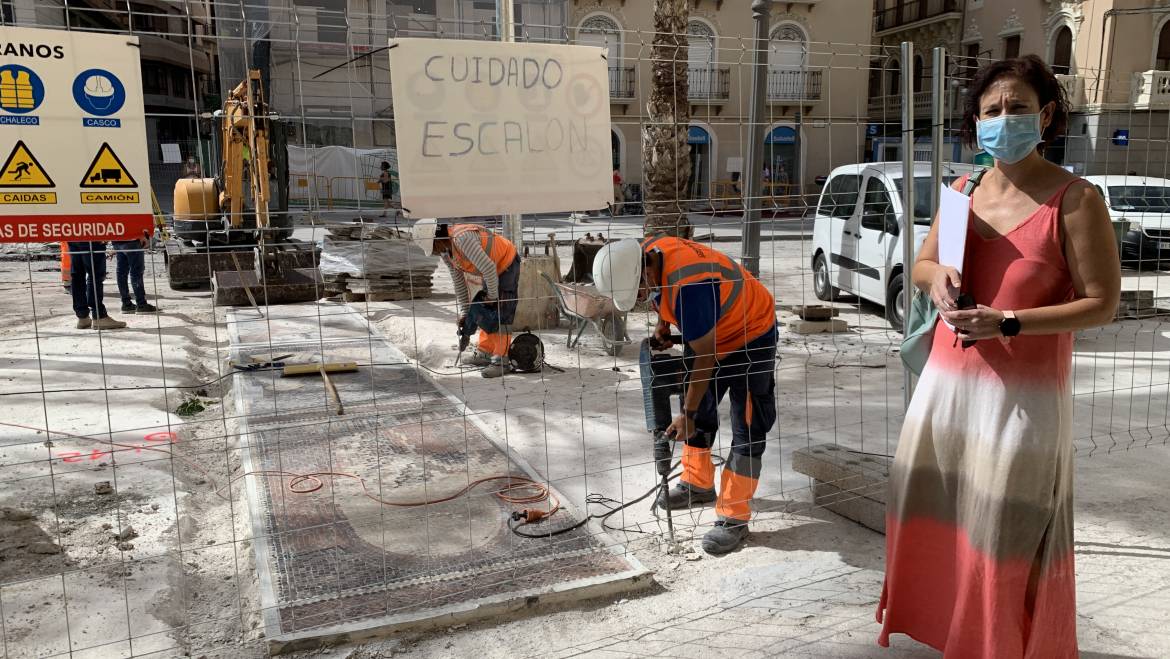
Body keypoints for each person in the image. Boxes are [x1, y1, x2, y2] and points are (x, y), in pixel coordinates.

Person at [877, 55, 1121, 657]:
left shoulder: (1076, 199)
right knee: (942, 522)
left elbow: (1101, 304)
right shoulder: (963, 191)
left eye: (1017, 108)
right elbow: (925, 262)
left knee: (1007, 533)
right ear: (976, 122)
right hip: (946, 392)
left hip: (1022, 406)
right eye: (992, 110)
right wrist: (936, 279)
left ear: (1046, 115)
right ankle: (956, 637)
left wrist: (1008, 321)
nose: (1003, 119)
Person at [592, 236, 777, 554]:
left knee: (747, 422)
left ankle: (733, 516)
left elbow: (704, 356)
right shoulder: (647, 252)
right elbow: (663, 294)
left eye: (637, 291)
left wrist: (686, 415)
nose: (638, 298)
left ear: (644, 270)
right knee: (701, 405)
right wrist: (664, 325)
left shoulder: (692, 287)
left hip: (751, 333)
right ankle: (697, 484)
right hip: (711, 328)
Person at [413, 219, 520, 378]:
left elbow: (489, 268)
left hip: (506, 262)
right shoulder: (446, 252)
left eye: (433, 248)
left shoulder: (462, 239)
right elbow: (459, 282)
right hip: (490, 269)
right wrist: (465, 312)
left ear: (438, 238)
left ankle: (501, 360)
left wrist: (491, 296)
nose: (435, 252)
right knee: (483, 310)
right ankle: (485, 352)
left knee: (502, 311)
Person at [68, 241, 126, 330]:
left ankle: (82, 317)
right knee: (95, 274)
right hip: (91, 236)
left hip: (73, 235)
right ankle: (99, 316)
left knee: (77, 275)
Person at [112, 231, 157, 314]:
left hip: (117, 239)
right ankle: (141, 304)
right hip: (132, 239)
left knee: (121, 272)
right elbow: (132, 219)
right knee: (136, 272)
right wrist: (140, 236)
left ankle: (126, 304)